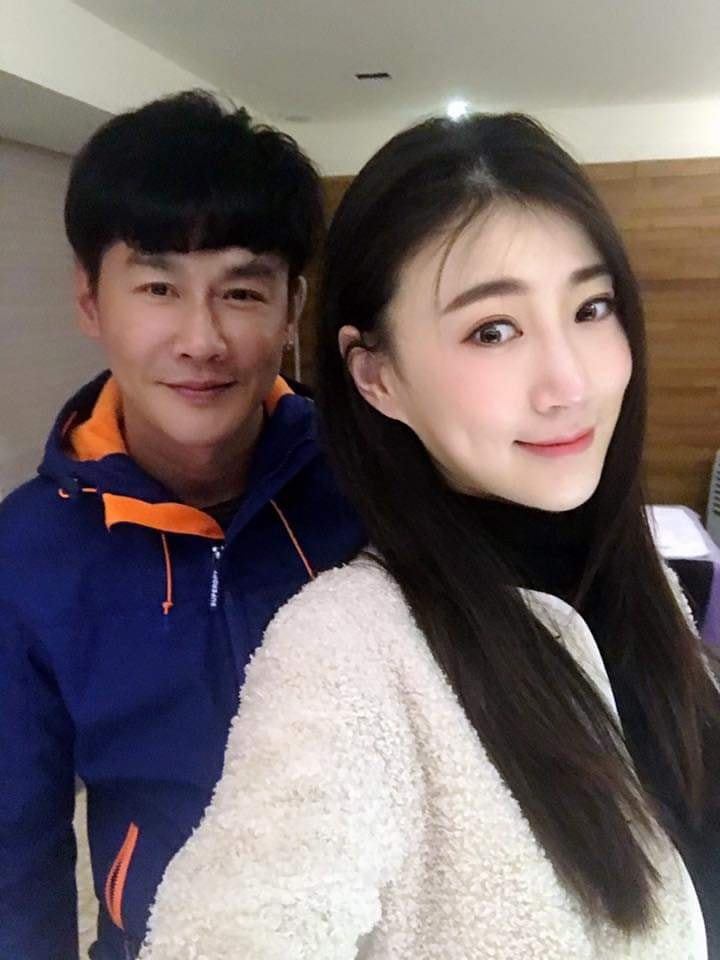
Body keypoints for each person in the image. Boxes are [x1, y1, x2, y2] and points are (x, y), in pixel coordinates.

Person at [140, 114, 720, 959]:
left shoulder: (640, 577)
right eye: (493, 330)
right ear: (377, 376)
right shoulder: (347, 651)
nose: (570, 383)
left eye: (591, 308)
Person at [0, 91, 364, 959]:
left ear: (290, 309)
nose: (201, 340)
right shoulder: (28, 552)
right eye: (159, 287)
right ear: (90, 300)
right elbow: (15, 855)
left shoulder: (368, 492)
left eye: (241, 290)